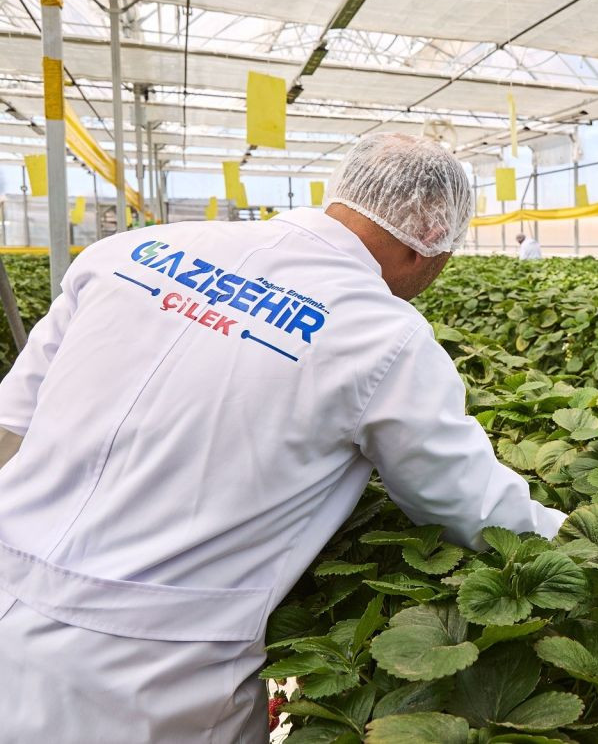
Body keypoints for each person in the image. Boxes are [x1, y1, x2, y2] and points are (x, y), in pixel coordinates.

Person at [0, 134, 566, 741]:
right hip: (146, 673)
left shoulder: (131, 250)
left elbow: (11, 426)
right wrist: (580, 546)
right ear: (430, 235)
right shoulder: (382, 334)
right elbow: (471, 508)